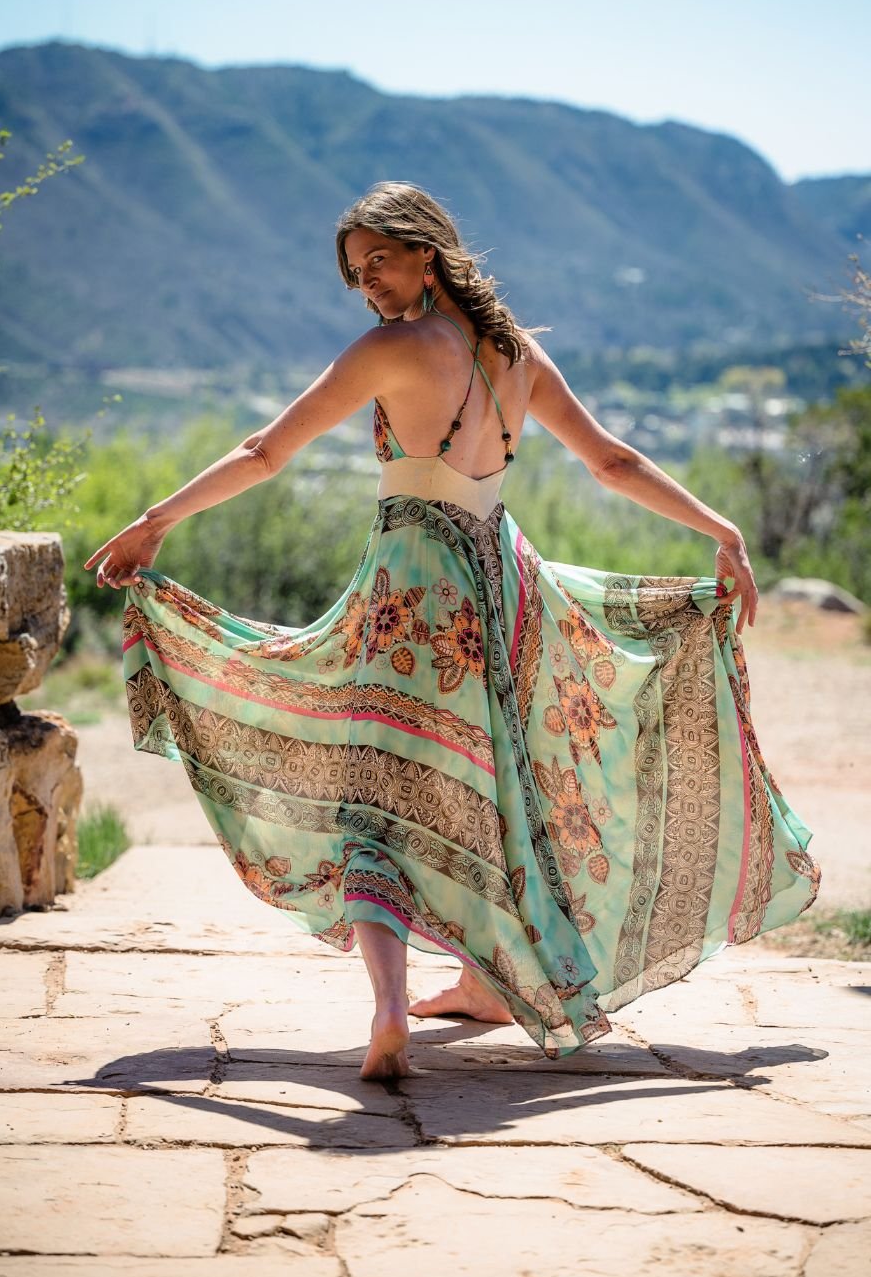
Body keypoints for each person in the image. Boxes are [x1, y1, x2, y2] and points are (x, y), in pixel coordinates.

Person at [84, 181, 820, 1082]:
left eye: (379, 264)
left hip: (413, 596)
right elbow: (612, 462)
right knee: (489, 783)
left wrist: (158, 519)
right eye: (356, 276)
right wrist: (721, 530)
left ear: (425, 252)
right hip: (503, 587)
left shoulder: (393, 351)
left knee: (375, 790)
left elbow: (265, 453)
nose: (370, 288)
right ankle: (479, 980)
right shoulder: (520, 358)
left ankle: (391, 1007)